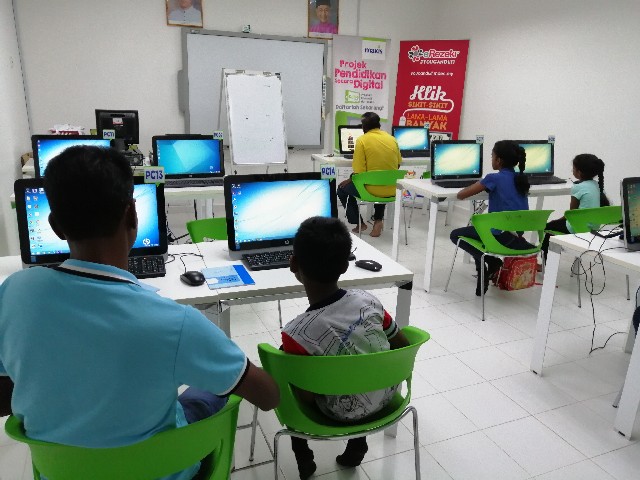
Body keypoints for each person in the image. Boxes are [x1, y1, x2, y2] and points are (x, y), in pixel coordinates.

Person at [0, 146, 279, 480]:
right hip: (162, 471)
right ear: (133, 215)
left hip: (60, 473)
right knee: (213, 388)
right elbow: (268, 396)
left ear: (55, 226)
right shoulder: (175, 323)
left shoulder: (13, 292)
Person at [281, 216, 409, 480]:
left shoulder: (295, 335)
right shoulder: (369, 302)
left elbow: (305, 399)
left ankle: (303, 456)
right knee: (357, 362)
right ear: (345, 265)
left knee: (285, 377)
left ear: (293, 263)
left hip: (338, 413)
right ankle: (357, 445)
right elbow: (402, 345)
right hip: (386, 397)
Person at [450, 140, 534, 296]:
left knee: (455, 235)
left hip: (498, 237)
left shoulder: (493, 178)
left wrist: (479, 183)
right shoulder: (521, 179)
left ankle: (490, 261)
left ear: (498, 160)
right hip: (515, 237)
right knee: (479, 231)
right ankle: (486, 266)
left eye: (492, 156)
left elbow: (461, 195)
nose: (491, 159)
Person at [337, 112, 402, 237]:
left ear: (363, 127)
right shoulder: (392, 139)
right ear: (379, 124)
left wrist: (349, 180)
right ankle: (378, 220)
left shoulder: (362, 140)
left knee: (341, 189)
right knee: (381, 182)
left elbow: (359, 172)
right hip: (391, 190)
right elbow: (398, 164)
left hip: (370, 191)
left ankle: (359, 223)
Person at [541, 154, 609, 261]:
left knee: (548, 227)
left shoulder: (578, 187)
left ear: (579, 172)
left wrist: (555, 221)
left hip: (575, 227)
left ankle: (546, 263)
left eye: (573, 168)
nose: (572, 170)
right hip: (593, 228)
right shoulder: (597, 185)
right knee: (554, 225)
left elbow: (570, 214)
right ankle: (547, 262)